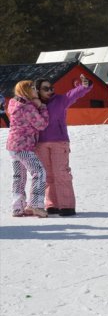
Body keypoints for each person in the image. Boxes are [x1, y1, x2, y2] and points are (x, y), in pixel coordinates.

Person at [34, 75, 93, 216]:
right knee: (47, 175)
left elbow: (74, 94)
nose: (50, 91)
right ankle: (52, 204)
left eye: (51, 88)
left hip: (59, 142)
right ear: (37, 91)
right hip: (40, 144)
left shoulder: (60, 100)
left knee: (61, 173)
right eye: (45, 89)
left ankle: (67, 206)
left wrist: (85, 86)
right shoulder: (32, 104)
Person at [6, 80, 49, 218]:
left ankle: (17, 207)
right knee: (39, 172)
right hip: (24, 146)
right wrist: (42, 107)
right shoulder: (28, 107)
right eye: (33, 88)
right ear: (26, 90)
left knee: (19, 176)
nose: (36, 90)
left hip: (12, 145)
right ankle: (35, 205)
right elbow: (41, 124)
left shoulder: (13, 102)